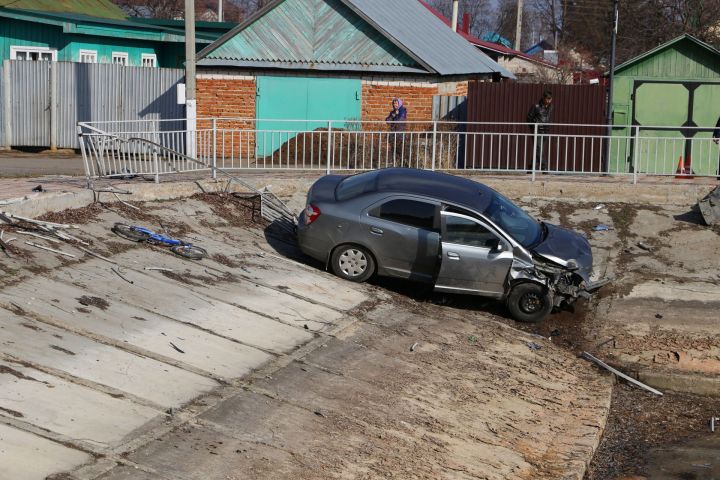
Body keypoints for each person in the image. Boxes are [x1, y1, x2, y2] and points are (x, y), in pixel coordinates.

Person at [527, 90, 554, 171]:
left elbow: (548, 117)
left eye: (550, 99)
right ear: (543, 98)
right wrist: (534, 127)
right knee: (539, 148)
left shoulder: (551, 107)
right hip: (537, 131)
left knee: (538, 149)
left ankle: (531, 167)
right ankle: (544, 167)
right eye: (547, 98)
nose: (549, 100)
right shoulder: (536, 106)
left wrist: (549, 124)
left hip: (545, 130)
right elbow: (528, 118)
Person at [386, 98, 408, 165]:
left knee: (400, 150)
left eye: (396, 103)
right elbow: (387, 121)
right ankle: (394, 163)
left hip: (400, 134)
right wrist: (394, 115)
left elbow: (399, 121)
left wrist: (395, 116)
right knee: (393, 150)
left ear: (399, 104)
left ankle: (403, 164)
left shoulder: (403, 111)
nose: (394, 105)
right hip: (393, 133)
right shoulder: (393, 112)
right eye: (393, 103)